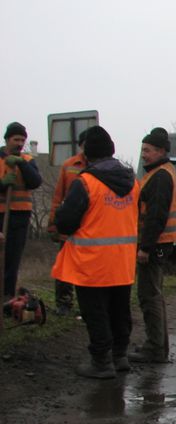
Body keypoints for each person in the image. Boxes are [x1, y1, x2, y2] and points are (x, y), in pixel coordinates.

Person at [51, 126, 140, 379]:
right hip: (122, 262)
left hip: (92, 263)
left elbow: (66, 222)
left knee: (96, 312)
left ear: (87, 155)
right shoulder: (132, 183)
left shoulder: (86, 182)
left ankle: (101, 362)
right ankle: (119, 355)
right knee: (119, 309)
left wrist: (59, 216)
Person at [130, 128, 176, 364]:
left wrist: (145, 247)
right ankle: (159, 346)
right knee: (154, 295)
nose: (143, 155)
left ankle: (155, 348)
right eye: (142, 150)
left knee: (149, 295)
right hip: (160, 243)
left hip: (156, 244)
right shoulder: (159, 172)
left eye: (147, 150)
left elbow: (156, 216)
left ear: (161, 151)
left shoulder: (160, 176)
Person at [47, 129, 88, 315]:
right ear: (80, 145)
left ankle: (87, 304)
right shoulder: (69, 165)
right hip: (68, 225)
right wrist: (53, 223)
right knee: (64, 267)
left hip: (89, 227)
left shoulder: (99, 166)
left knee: (87, 268)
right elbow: (58, 197)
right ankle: (64, 303)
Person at [0, 122, 42, 298]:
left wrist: (21, 165)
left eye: (22, 140)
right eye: (16, 139)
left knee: (13, 258)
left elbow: (35, 182)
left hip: (20, 216)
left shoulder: (27, 160)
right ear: (7, 139)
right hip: (1, 215)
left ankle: (8, 297)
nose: (19, 143)